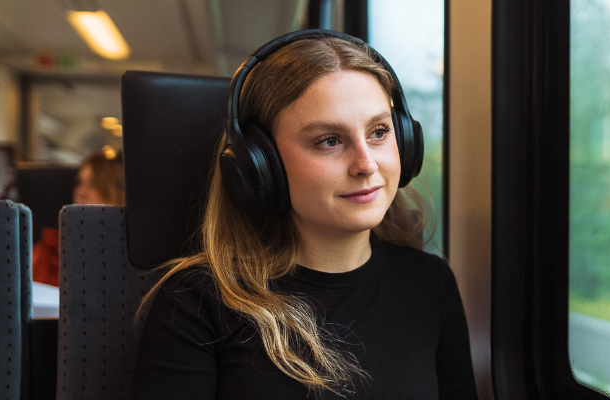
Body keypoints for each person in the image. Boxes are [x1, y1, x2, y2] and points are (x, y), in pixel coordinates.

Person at [132, 31, 477, 399]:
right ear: (261, 165)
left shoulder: (430, 283)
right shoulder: (197, 302)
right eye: (329, 140)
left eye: (379, 131)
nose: (366, 164)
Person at [31, 149, 124, 286]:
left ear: (116, 192)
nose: (80, 191)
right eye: (80, 182)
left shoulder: (130, 255)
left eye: (92, 184)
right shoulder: (49, 250)